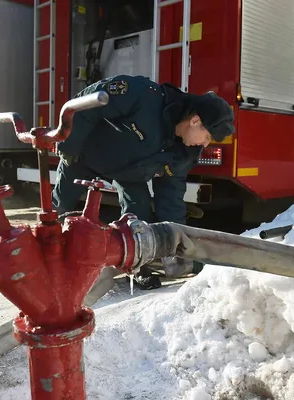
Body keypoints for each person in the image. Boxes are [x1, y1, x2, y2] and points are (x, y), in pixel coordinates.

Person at [52, 74, 235, 290]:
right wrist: (69, 145)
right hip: (86, 155)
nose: (205, 143)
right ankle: (47, 255)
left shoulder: (186, 152)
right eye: (207, 136)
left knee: (137, 221)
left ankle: (138, 267)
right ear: (195, 121)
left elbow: (171, 197)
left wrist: (176, 246)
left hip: (130, 174)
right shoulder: (143, 96)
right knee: (60, 205)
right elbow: (88, 102)